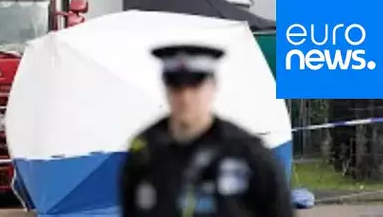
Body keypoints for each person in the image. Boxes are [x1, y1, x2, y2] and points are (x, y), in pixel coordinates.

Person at [119, 44, 295, 217]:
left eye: (195, 85)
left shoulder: (248, 154)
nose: (185, 97)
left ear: (213, 86)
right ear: (165, 87)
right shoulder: (144, 153)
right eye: (176, 86)